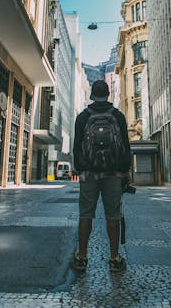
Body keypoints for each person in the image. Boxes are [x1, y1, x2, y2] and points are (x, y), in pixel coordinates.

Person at [70, 80, 131, 273]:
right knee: (113, 215)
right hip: (113, 174)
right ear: (108, 93)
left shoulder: (82, 117)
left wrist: (80, 168)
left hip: (89, 174)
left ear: (91, 95)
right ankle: (114, 259)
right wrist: (124, 170)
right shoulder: (118, 116)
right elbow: (126, 146)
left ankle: (81, 257)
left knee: (85, 214)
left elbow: (77, 145)